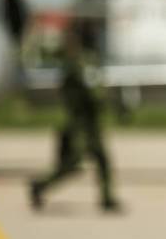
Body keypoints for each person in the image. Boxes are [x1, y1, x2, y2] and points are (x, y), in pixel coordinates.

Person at [30, 21, 120, 212]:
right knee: (72, 163)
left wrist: (115, 105)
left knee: (102, 159)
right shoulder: (77, 62)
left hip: (91, 123)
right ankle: (40, 186)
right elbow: (92, 91)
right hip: (79, 123)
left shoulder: (86, 60)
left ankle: (107, 198)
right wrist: (108, 102)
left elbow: (97, 89)